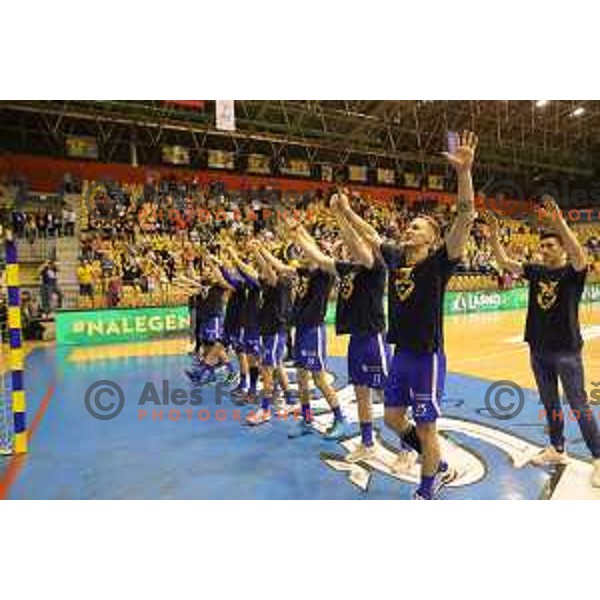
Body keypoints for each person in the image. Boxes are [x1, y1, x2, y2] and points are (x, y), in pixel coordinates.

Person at [333, 131, 478, 499]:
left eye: (417, 226)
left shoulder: (440, 263)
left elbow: (464, 217)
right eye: (409, 225)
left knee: (427, 428)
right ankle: (437, 462)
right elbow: (371, 235)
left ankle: (428, 488)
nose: (408, 228)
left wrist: (463, 173)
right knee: (394, 419)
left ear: (432, 237)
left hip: (427, 357)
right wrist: (348, 212)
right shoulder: (397, 258)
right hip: (401, 355)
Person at [485, 196, 600, 487]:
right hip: (538, 348)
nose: (544, 249)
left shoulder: (573, 273)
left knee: (578, 404)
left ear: (561, 247)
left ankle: (598, 457)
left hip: (566, 351)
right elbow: (503, 262)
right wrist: (496, 238)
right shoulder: (536, 271)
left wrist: (559, 223)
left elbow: (580, 255)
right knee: (550, 404)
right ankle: (556, 449)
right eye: (542, 245)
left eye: (550, 245)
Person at [291, 195, 389, 463]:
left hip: (373, 337)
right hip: (356, 339)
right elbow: (319, 258)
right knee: (361, 393)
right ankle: (367, 442)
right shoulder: (348, 269)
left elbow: (357, 244)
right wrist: (296, 234)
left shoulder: (376, 267)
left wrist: (340, 215)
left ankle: (407, 446)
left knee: (388, 395)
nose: (353, 247)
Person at [256, 238, 349, 439]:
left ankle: (340, 418)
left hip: (314, 331)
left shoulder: (325, 274)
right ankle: (306, 419)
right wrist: (261, 249)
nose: (303, 255)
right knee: (301, 378)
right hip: (301, 330)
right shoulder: (305, 273)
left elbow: (319, 258)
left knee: (319, 379)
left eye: (308, 252)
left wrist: (302, 237)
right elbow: (281, 266)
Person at [244, 240, 296, 425]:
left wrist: (260, 251)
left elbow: (269, 272)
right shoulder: (269, 281)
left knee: (267, 369)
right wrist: (255, 253)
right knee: (277, 366)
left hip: (276, 330)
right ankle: (290, 401)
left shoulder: (283, 280)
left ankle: (264, 410)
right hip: (269, 330)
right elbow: (255, 273)